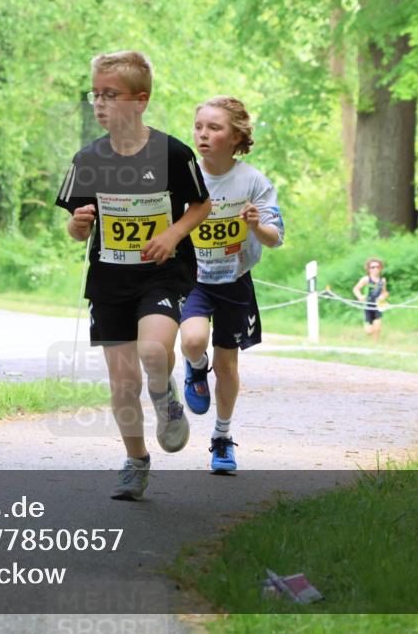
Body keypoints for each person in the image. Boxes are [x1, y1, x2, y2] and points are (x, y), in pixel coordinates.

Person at [56, 51, 211, 500]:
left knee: (153, 350)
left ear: (140, 100)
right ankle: (135, 460)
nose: (99, 104)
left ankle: (165, 397)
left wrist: (174, 232)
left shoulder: (172, 152)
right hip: (109, 282)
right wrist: (77, 225)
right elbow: (73, 226)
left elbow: (200, 204)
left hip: (162, 273)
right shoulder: (88, 158)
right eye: (95, 95)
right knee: (122, 381)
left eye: (110, 95)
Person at [178, 96, 283, 473]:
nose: (203, 135)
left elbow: (274, 238)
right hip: (194, 279)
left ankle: (222, 438)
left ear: (236, 136)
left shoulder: (253, 181)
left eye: (214, 128)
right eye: (199, 127)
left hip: (235, 280)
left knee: (227, 364)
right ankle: (194, 365)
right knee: (191, 340)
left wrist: (255, 225)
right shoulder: (183, 176)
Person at [353, 258, 390, 344]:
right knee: (369, 331)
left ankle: (375, 344)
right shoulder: (366, 279)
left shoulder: (382, 281)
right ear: (368, 269)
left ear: (380, 268)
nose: (375, 269)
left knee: (378, 327)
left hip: (378, 306)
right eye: (372, 267)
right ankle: (368, 327)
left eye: (377, 267)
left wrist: (382, 297)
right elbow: (356, 289)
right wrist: (360, 296)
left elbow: (385, 293)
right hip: (368, 306)